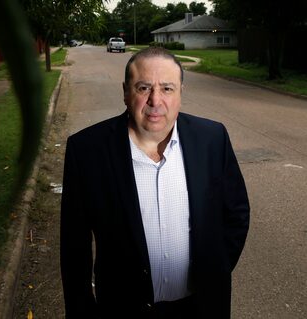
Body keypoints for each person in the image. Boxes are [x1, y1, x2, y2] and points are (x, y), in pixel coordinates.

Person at [60, 47, 250, 319]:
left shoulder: (212, 139)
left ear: (181, 92)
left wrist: (213, 271)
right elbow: (74, 247)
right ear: (126, 92)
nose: (155, 100)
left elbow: (236, 214)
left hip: (201, 307)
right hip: (121, 309)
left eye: (168, 89)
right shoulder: (87, 151)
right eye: (144, 87)